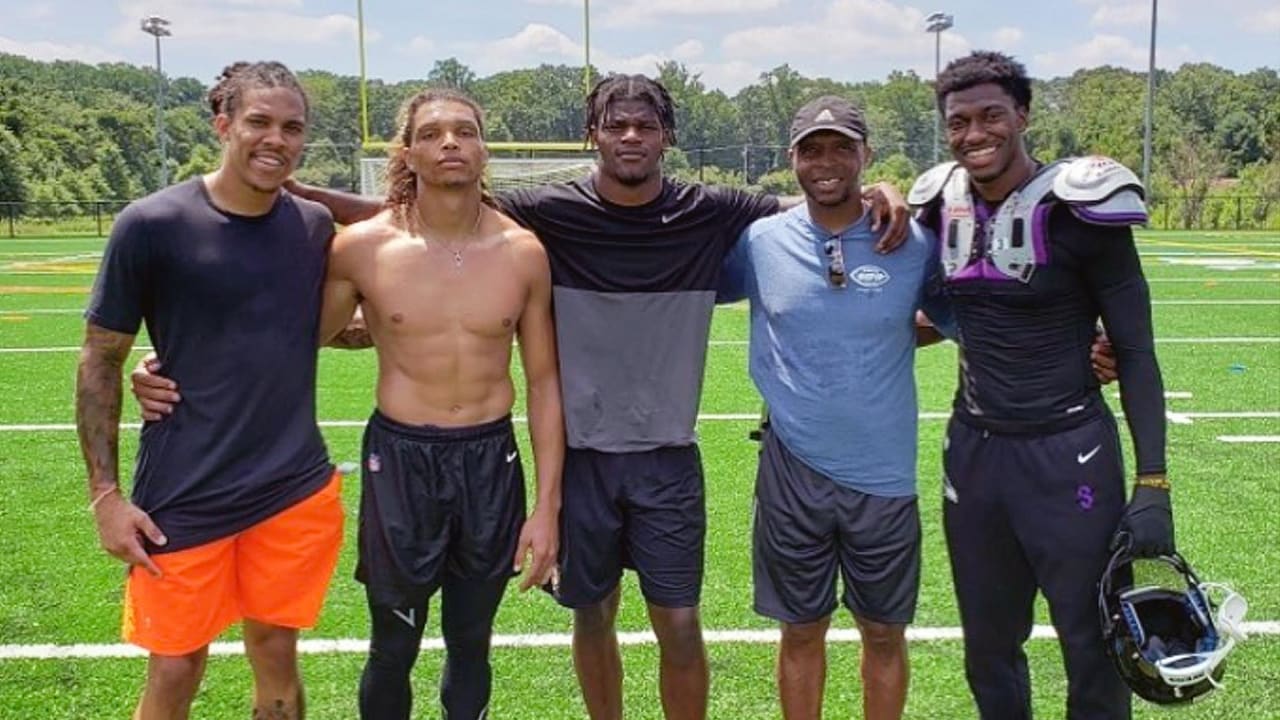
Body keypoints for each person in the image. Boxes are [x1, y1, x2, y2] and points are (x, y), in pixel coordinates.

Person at [134, 74, 912, 720]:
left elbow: (817, 205)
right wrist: (278, 193)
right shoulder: (538, 215)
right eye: (616, 124)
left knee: (652, 626)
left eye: (646, 125)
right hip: (498, 459)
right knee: (517, 624)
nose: (631, 137)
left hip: (645, 458)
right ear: (594, 135)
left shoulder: (694, 215)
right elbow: (396, 237)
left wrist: (880, 187)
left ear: (665, 137)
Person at [908, 51, 1175, 720]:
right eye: (958, 121)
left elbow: (1137, 351)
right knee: (988, 648)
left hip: (1069, 449)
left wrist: (1153, 481)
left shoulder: (1082, 208)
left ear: (1023, 115)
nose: (975, 134)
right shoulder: (938, 205)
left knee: (1094, 643)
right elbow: (934, 308)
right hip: (974, 448)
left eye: (992, 115)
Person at [76, 61, 343, 720]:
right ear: (223, 123)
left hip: (292, 485)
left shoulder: (313, 228)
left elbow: (334, 326)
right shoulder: (151, 224)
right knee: (174, 666)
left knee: (277, 650)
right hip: (184, 490)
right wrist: (106, 497)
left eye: (291, 127)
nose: (274, 138)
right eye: (258, 121)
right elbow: (101, 361)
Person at [318, 88, 563, 720]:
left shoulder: (524, 253)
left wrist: (547, 509)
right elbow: (292, 340)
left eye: (464, 131)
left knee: (471, 642)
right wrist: (175, 362)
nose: (449, 142)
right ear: (407, 152)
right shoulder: (362, 247)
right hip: (401, 459)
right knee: (393, 644)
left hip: (489, 460)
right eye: (431, 133)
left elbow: (542, 383)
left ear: (484, 149)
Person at [718, 96, 952, 720]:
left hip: (884, 475)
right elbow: (677, 286)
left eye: (842, 148)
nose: (827, 162)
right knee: (801, 630)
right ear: (791, 159)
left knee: (883, 632)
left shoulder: (910, 241)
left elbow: (968, 318)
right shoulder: (759, 241)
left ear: (865, 155)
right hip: (792, 470)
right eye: (812, 150)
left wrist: (1085, 347)